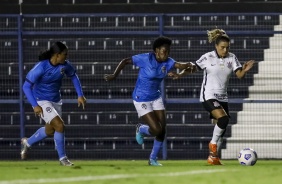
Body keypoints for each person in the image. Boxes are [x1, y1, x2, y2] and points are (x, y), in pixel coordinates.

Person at [168, 29, 255, 165]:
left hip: (223, 97)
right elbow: (193, 68)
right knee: (223, 118)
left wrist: (244, 70)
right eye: (222, 47)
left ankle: (213, 158)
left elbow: (239, 75)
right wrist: (179, 75)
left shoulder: (232, 57)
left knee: (221, 127)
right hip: (208, 95)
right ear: (216, 46)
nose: (225, 50)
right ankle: (212, 145)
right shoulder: (207, 57)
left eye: (227, 47)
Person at [104, 36, 194, 166]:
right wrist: (114, 75)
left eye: (168, 51)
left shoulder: (168, 61)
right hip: (141, 99)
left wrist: (189, 65)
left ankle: (152, 159)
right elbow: (125, 61)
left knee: (163, 129)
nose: (167, 54)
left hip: (156, 97)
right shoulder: (146, 58)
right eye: (164, 51)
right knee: (156, 130)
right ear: (156, 50)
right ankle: (141, 129)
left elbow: (181, 65)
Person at [21, 41, 87, 166]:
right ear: (57, 55)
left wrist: (80, 95)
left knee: (50, 130)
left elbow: (73, 76)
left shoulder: (65, 65)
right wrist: (35, 105)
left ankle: (27, 143)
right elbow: (26, 86)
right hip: (41, 100)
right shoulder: (41, 67)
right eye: (65, 54)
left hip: (56, 100)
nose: (66, 57)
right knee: (60, 125)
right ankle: (63, 159)